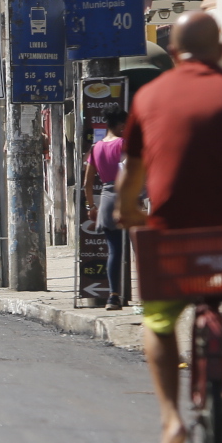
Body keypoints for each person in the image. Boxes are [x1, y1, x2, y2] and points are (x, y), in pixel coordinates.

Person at [115, 11, 222, 443]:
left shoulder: (150, 96)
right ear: (221, 50)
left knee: (159, 322)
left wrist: (129, 213)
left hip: (174, 236)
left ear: (174, 52)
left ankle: (171, 423)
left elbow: (133, 174)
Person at [83, 126, 126, 311]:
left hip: (107, 200)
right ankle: (147, 298)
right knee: (141, 251)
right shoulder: (125, 143)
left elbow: (87, 183)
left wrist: (91, 206)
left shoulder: (96, 147)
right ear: (121, 125)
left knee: (114, 251)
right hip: (128, 197)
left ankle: (113, 297)